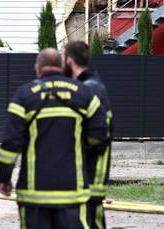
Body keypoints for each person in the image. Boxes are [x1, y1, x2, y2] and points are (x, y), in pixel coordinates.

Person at [0, 48, 108, 229]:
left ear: (38, 69)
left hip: (34, 194)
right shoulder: (85, 94)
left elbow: (10, 144)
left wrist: (3, 177)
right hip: (73, 192)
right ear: (63, 67)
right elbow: (100, 137)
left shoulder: (24, 95)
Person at [62, 41, 112, 229]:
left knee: (92, 219)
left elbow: (96, 136)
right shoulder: (91, 85)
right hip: (91, 167)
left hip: (92, 169)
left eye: (62, 58)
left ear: (69, 61)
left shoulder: (89, 89)